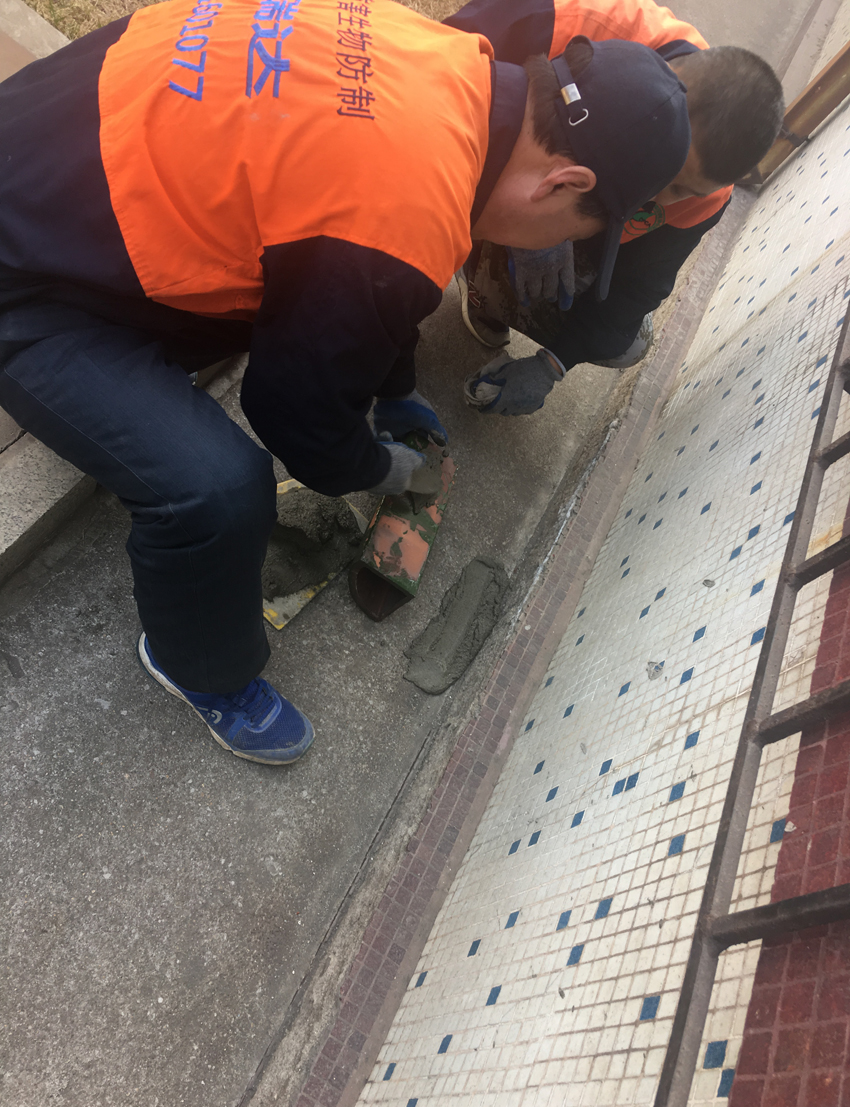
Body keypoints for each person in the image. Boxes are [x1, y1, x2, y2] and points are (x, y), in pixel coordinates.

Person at [0, 0, 691, 764]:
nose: (559, 246)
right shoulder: (407, 217)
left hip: (46, 133)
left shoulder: (447, 60)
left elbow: (358, 271)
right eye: (578, 232)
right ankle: (199, 670)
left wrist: (394, 388)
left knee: (286, 278)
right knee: (219, 489)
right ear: (563, 183)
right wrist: (376, 467)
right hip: (24, 278)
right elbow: (293, 415)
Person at [444, 0, 785, 415]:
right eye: (667, 170)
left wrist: (553, 364)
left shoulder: (708, 195)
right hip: (475, 170)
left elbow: (637, 290)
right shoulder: (566, 21)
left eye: (682, 190)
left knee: (629, 340)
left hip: (560, 210)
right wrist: (528, 228)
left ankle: (494, 290)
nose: (653, 196)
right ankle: (479, 271)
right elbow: (430, 93)